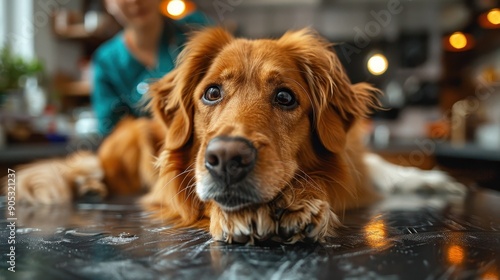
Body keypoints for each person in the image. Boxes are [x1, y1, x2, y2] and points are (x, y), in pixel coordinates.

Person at [92, 0, 212, 136]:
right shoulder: (107, 61)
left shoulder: (196, 30)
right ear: (108, 4)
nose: (135, 1)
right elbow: (112, 133)